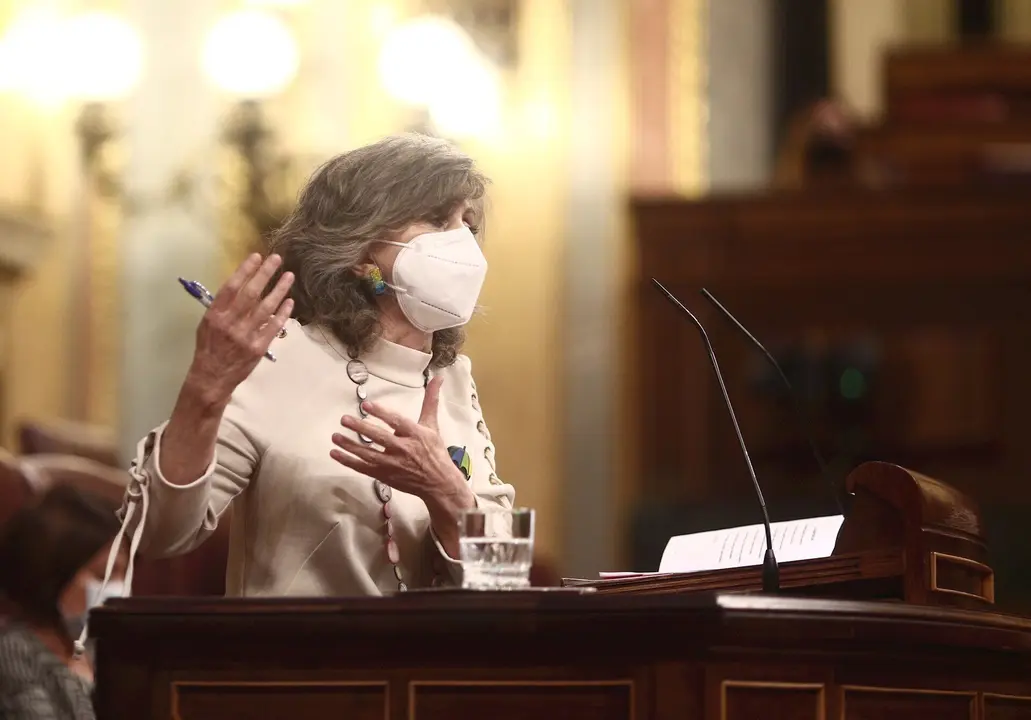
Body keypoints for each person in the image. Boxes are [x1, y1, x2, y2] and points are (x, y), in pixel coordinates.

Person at [115, 134, 515, 597]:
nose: (463, 241)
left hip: (427, 647)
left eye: (468, 223)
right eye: (438, 220)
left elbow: (501, 578)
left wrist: (447, 492)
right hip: (298, 644)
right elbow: (157, 534)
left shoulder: (452, 378)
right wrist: (204, 390)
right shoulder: (278, 356)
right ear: (361, 251)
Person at [0, 485, 126, 720]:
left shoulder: (103, 648)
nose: (121, 587)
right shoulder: (12, 651)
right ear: (52, 578)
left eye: (125, 573)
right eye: (103, 575)